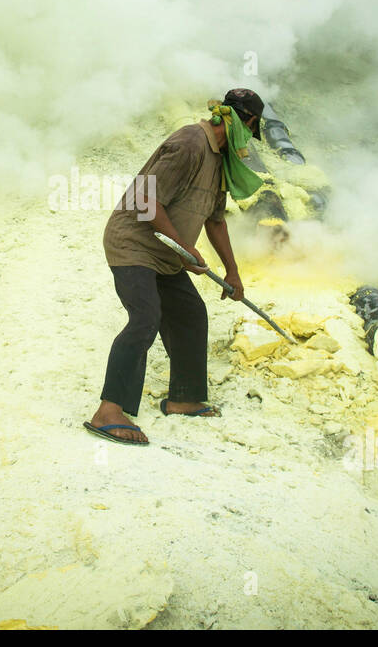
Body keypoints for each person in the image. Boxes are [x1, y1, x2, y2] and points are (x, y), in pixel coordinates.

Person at [84, 88, 266, 445]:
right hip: (133, 245)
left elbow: (215, 221)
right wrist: (185, 248)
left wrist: (232, 272)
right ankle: (109, 411)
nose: (247, 143)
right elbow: (144, 197)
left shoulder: (219, 162)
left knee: (190, 313)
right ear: (245, 122)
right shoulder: (189, 142)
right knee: (145, 317)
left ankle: (183, 398)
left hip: (166, 254)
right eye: (250, 132)